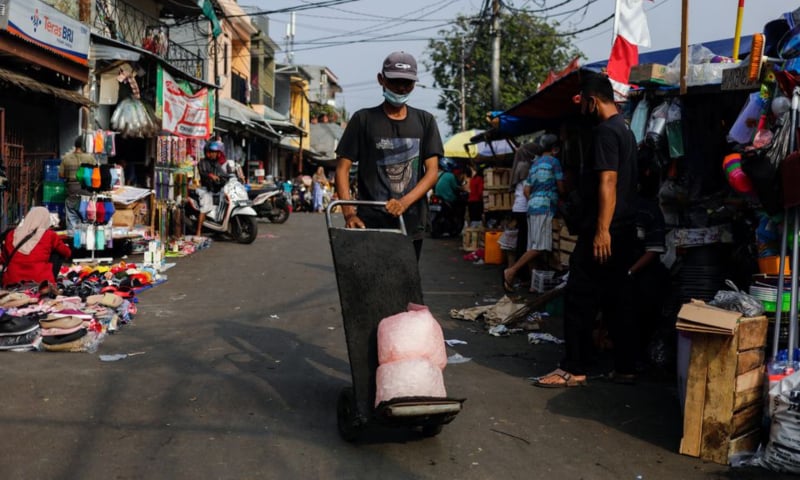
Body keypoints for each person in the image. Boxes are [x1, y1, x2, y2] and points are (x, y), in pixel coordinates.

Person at [532, 74, 638, 388]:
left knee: (579, 298)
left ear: (592, 100)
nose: (582, 110)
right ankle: (626, 367)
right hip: (624, 229)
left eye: (583, 103)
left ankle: (573, 367)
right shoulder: (626, 130)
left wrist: (602, 230)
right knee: (618, 300)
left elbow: (608, 181)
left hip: (605, 229)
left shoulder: (606, 132)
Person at [335, 51, 443, 260]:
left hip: (411, 221)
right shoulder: (363, 119)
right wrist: (349, 213)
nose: (402, 88)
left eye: (407, 83)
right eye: (395, 82)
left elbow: (432, 172)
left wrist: (404, 202)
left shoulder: (425, 121)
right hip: (370, 221)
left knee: (406, 284)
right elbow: (342, 169)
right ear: (381, 79)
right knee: (372, 283)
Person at [503, 134, 564, 292]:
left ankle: (533, 285)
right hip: (545, 208)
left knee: (532, 245)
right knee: (539, 247)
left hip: (531, 208)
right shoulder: (554, 162)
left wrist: (534, 200)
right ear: (555, 149)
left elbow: (526, 190)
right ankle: (512, 271)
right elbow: (561, 187)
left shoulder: (534, 164)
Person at [1, 207, 72, 287]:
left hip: (12, 280)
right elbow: (67, 253)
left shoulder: (11, 234)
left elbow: (4, 258)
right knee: (57, 252)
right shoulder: (49, 235)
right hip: (40, 280)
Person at [507, 142, 542, 281]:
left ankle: (520, 273)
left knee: (522, 241)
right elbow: (527, 189)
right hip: (524, 208)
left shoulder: (520, 164)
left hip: (518, 207)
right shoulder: (526, 166)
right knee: (526, 242)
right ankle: (521, 273)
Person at [59, 136, 94, 231]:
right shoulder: (90, 158)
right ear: (84, 146)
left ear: (75, 145)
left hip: (72, 190)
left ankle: (73, 239)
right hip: (87, 191)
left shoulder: (66, 158)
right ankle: (86, 238)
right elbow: (95, 175)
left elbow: (61, 175)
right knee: (86, 217)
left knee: (72, 217)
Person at [194, 141, 227, 236]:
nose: (214, 154)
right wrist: (211, 176)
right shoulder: (202, 162)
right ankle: (198, 231)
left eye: (216, 152)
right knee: (205, 206)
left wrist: (228, 176)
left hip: (216, 189)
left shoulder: (217, 163)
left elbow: (223, 173)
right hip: (205, 189)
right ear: (207, 152)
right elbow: (203, 173)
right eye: (212, 152)